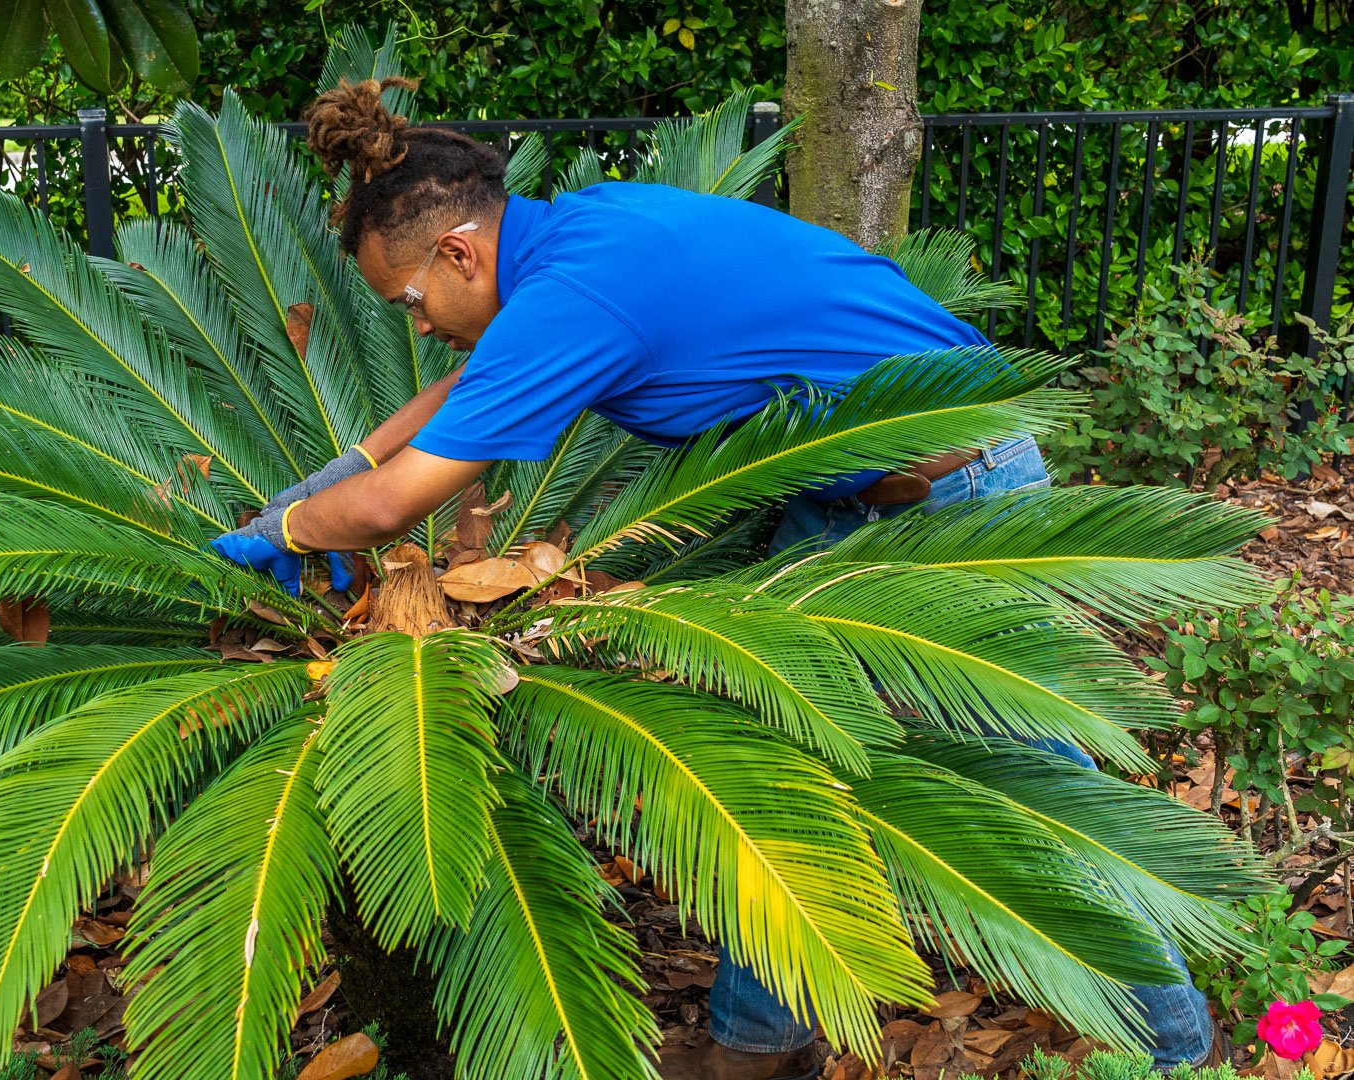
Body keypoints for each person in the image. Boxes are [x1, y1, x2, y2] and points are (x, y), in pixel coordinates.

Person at [209, 77, 1224, 1080]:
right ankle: (755, 1045)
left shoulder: (577, 291)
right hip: (847, 501)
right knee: (777, 785)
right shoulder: (577, 235)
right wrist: (335, 475)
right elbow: (459, 396)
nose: (418, 324)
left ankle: (1180, 1050)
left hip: (965, 495)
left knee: (1041, 788)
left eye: (412, 301)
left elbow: (394, 512)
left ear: (461, 251)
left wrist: (294, 528)